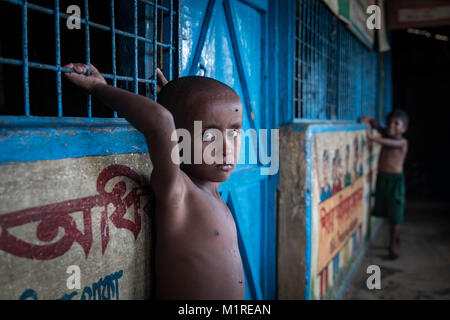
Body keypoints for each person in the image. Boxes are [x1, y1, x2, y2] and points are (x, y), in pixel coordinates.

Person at [63, 63, 245, 299]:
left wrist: (180, 102)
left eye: (234, 132)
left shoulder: (212, 188)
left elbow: (171, 121)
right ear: (176, 139)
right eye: (208, 135)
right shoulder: (179, 193)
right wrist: (99, 87)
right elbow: (160, 121)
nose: (226, 148)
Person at [359, 110, 408, 260]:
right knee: (385, 209)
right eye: (389, 123)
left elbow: (389, 142)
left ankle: (392, 245)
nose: (391, 126)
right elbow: (376, 125)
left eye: (396, 124)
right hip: (382, 178)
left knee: (395, 214)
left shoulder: (402, 142)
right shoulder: (386, 135)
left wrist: (372, 138)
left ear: (404, 129)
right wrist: (370, 120)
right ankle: (395, 236)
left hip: (395, 181)